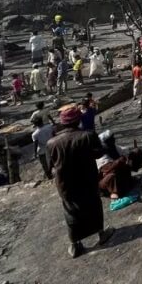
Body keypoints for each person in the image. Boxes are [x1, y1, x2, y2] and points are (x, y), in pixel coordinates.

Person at [47, 105, 115, 258]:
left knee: (70, 210)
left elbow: (50, 166)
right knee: (93, 206)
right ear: (78, 121)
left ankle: (75, 244)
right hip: (86, 179)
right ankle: (101, 234)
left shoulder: (51, 143)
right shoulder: (87, 135)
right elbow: (99, 154)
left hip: (65, 184)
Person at [31, 115, 54, 180]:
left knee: (45, 165)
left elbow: (35, 144)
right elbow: (54, 134)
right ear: (42, 121)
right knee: (54, 161)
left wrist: (35, 153)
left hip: (42, 150)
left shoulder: (34, 134)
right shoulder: (49, 127)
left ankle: (49, 177)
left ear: (34, 124)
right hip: (52, 146)